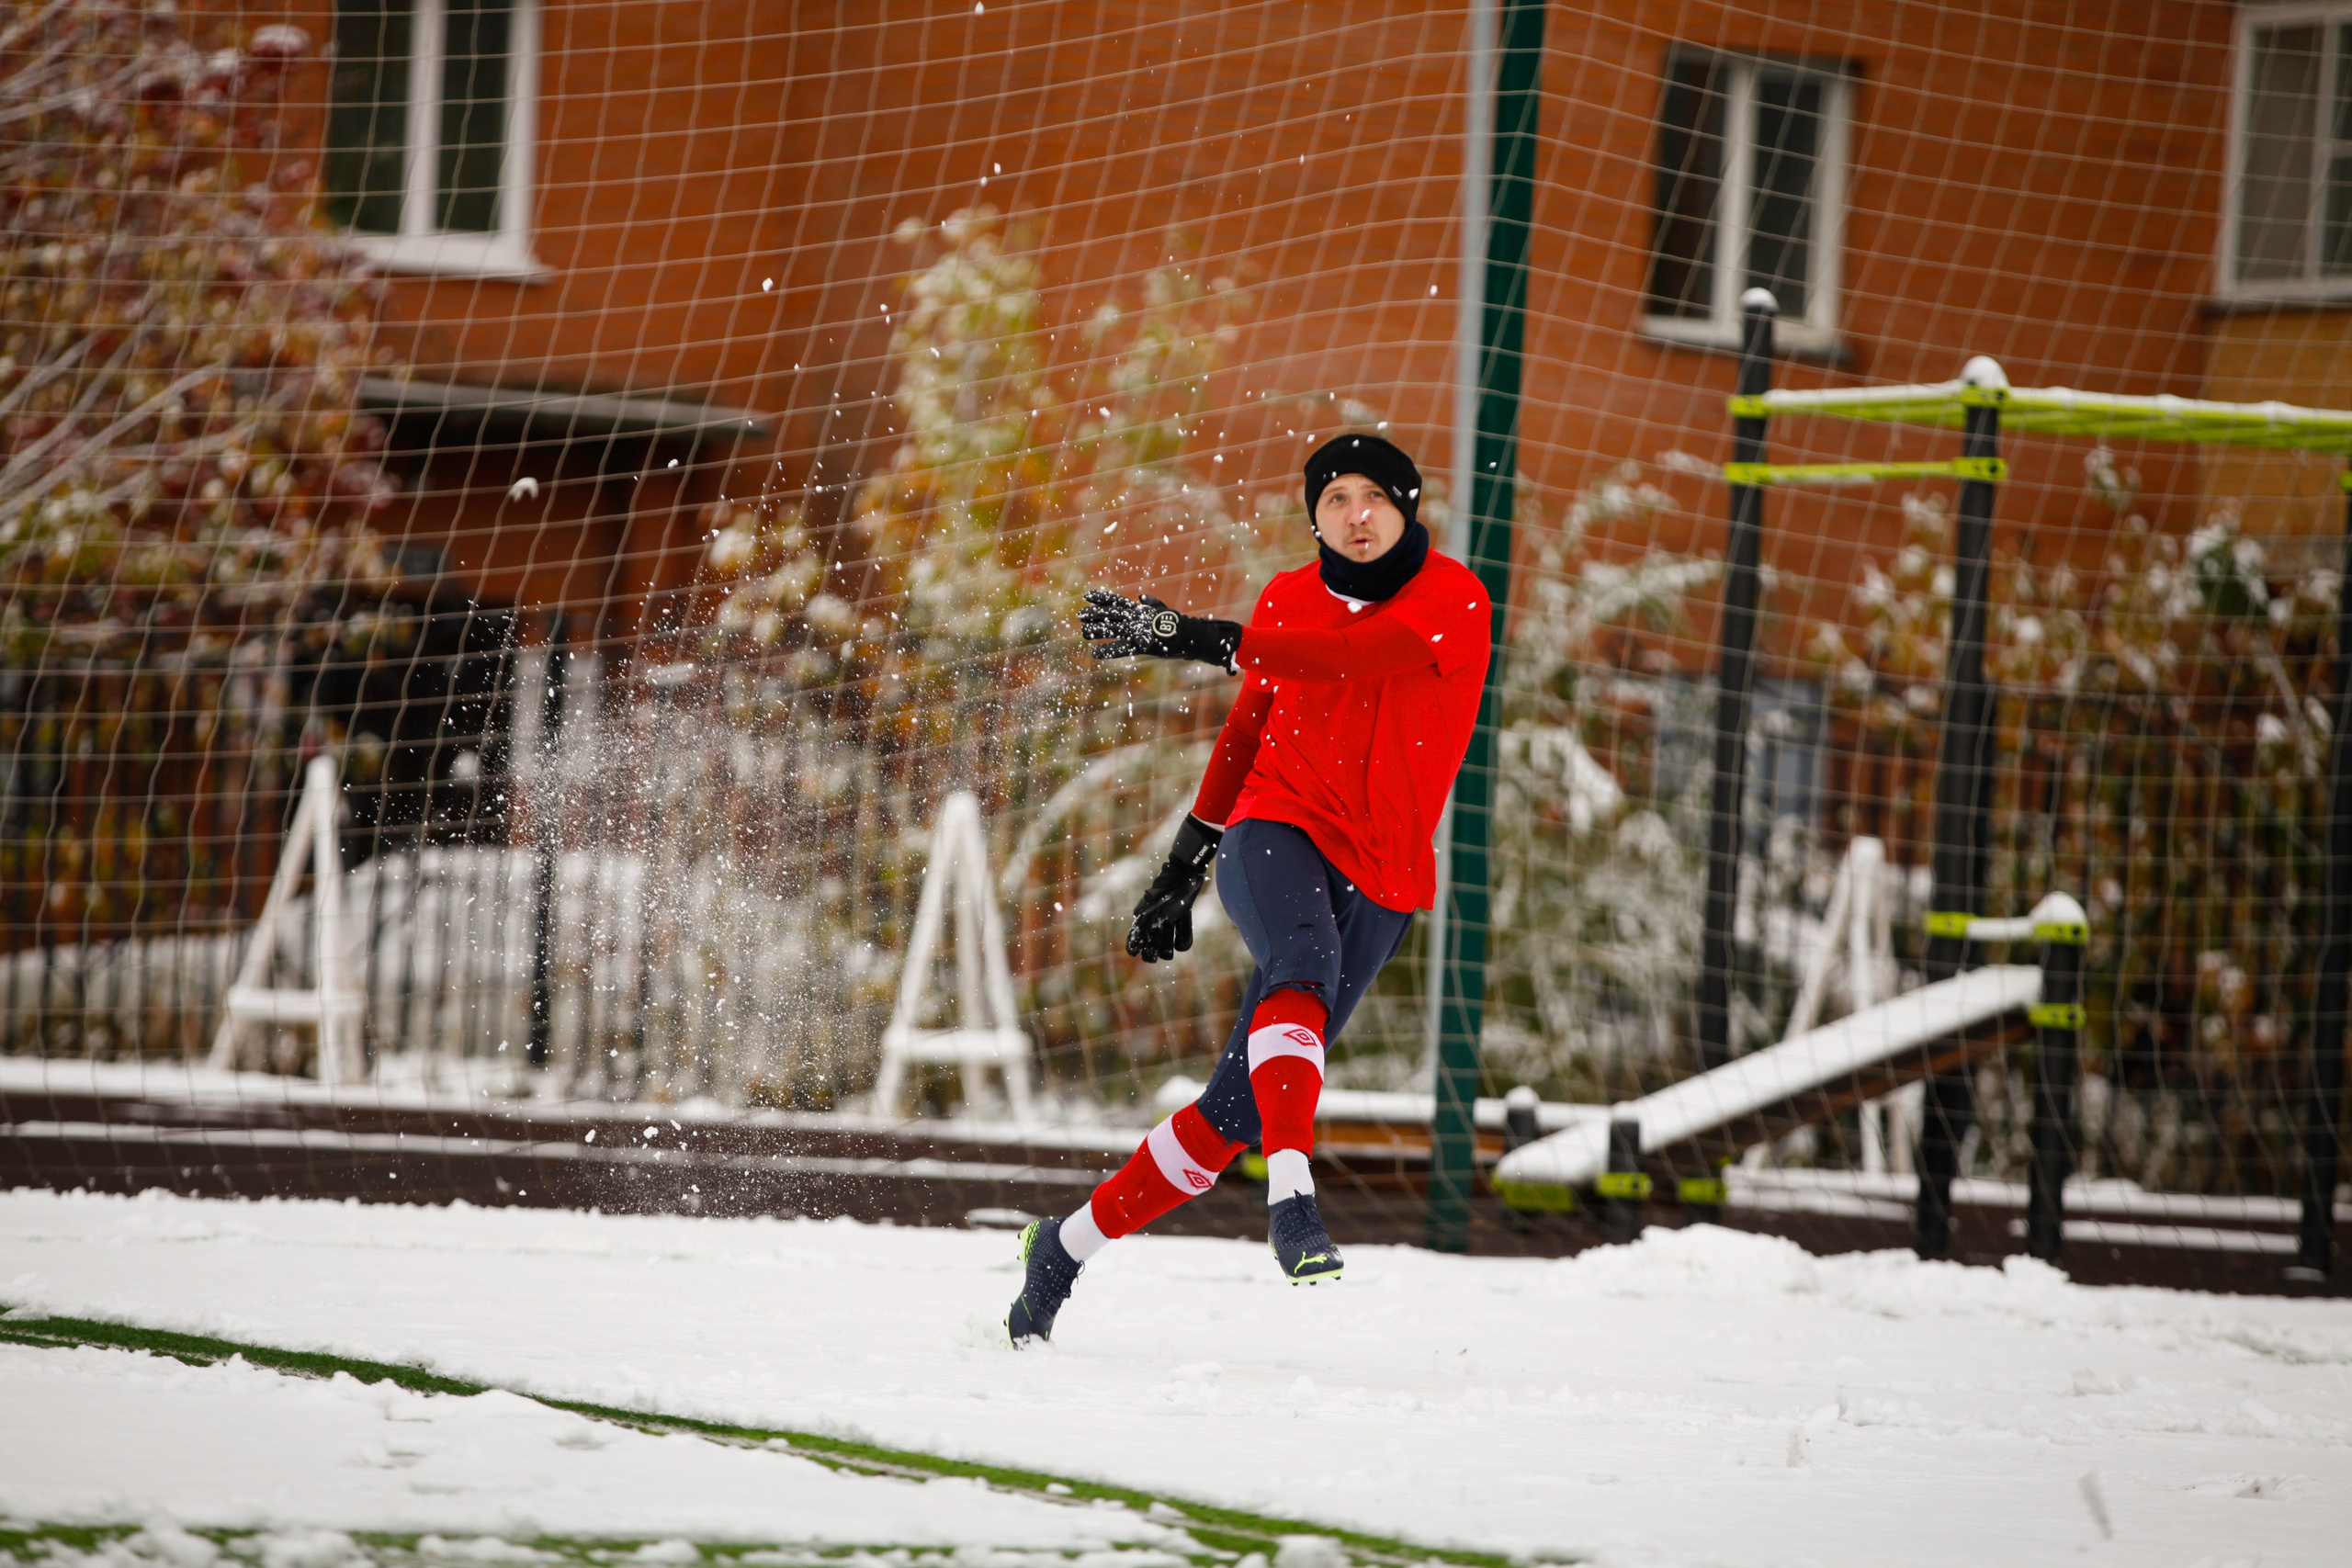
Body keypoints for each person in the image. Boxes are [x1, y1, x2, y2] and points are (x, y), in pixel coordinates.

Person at [1006, 433, 1492, 1345]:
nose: (1355, 513)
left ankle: (1062, 1248)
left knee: (1231, 1112)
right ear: (1312, 513)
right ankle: (1294, 1198)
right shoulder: (1285, 597)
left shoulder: (1452, 598)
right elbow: (1244, 737)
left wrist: (1194, 635)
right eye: (1335, 496)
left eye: (1374, 497)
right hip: (1278, 826)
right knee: (1302, 961)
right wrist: (1182, 867)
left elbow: (1344, 660)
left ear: (1407, 508)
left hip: (1384, 868)